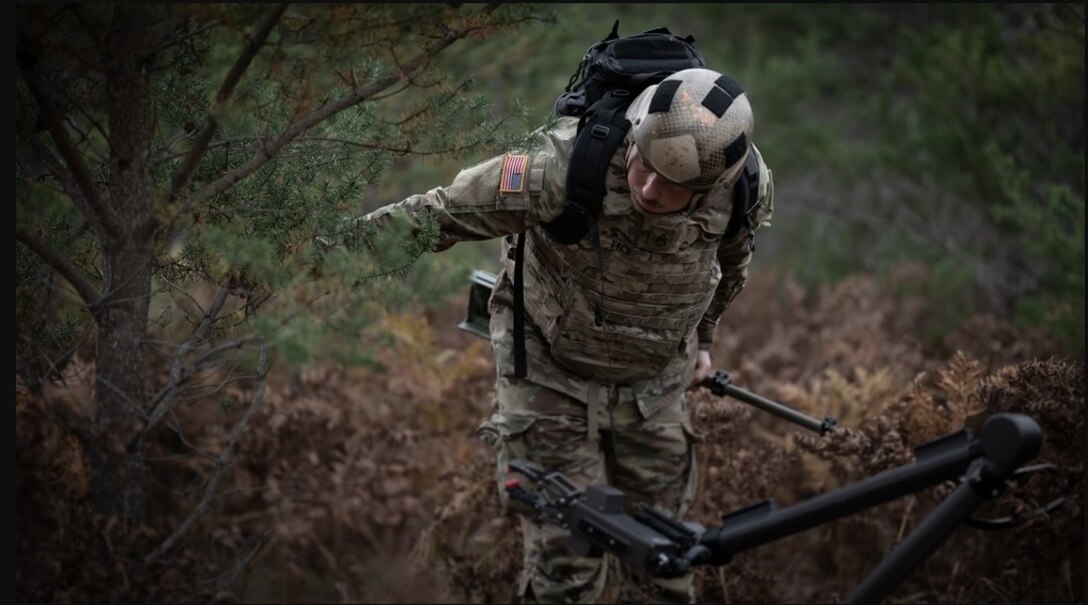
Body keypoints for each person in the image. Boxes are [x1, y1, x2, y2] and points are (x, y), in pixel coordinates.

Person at [358, 67, 773, 603]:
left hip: (655, 383)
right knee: (567, 566)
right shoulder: (565, 163)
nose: (649, 189)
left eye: (672, 187)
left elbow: (732, 268)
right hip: (549, 370)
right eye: (644, 166)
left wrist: (706, 342)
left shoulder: (741, 189)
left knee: (665, 560)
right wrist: (320, 257)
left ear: (710, 187)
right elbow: (443, 212)